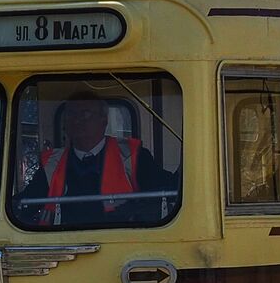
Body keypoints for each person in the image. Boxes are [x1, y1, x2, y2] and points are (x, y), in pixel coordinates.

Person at [16, 91, 176, 227]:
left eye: (85, 114)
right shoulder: (51, 164)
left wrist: (132, 209)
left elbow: (165, 190)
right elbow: (25, 203)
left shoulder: (132, 156)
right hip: (64, 242)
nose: (77, 120)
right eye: (71, 114)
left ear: (104, 120)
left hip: (121, 241)